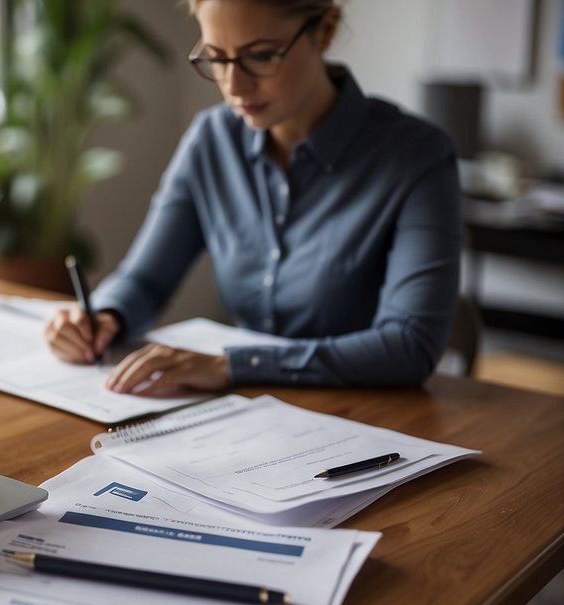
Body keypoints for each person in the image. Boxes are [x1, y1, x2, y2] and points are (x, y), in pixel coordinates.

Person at [44, 0, 462, 393]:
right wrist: (103, 317)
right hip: (244, 421)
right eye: (216, 57)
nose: (234, 86)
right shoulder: (212, 140)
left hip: (371, 424)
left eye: (261, 55)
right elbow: (146, 279)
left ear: (325, 29)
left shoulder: (417, 157)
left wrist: (233, 365)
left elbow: (411, 345)